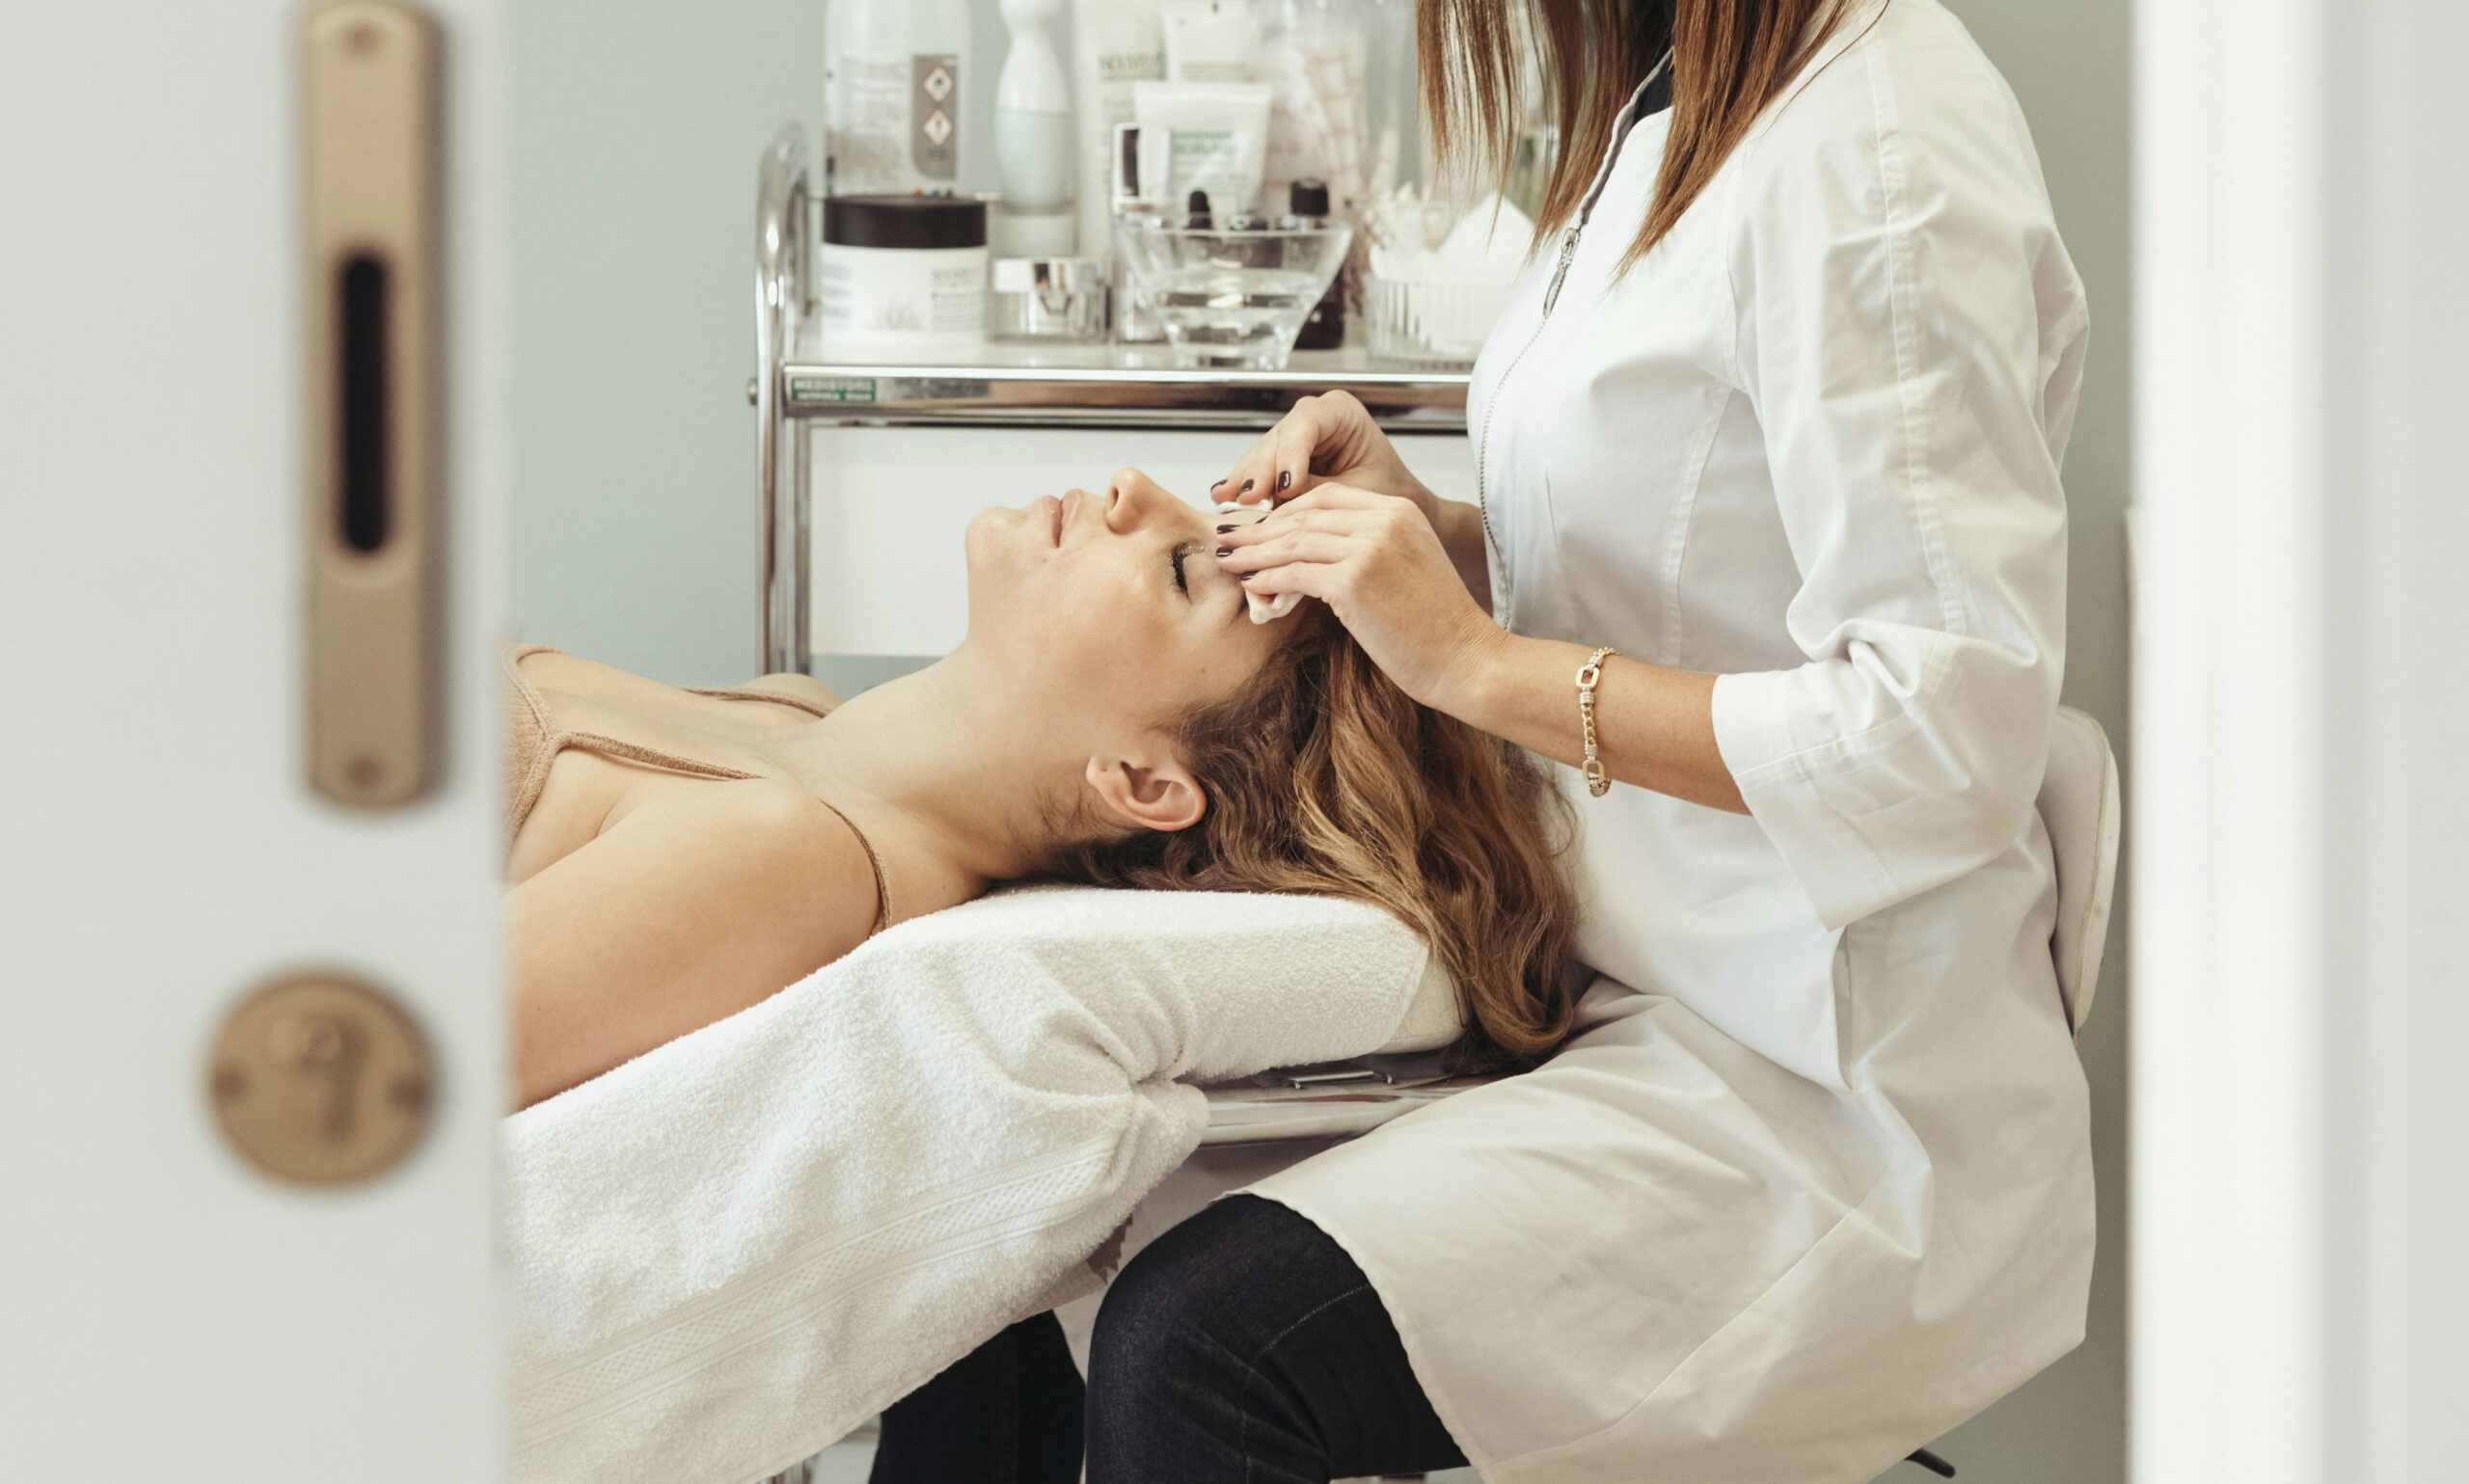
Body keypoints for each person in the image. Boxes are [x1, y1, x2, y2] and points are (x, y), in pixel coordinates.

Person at [1052, 0, 2098, 1479]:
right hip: (1628, 988)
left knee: (1201, 1345)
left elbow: (1940, 728)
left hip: (1822, 1080)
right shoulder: (1676, 108)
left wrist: (1478, 663)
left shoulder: (1878, 139)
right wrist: (1436, 540)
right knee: (1026, 1228)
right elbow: (1696, 567)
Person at [504, 469, 1578, 1111]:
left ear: (1143, 783)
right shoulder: (796, 716)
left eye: (1180, 571)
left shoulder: (780, 859)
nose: (1133, 491)